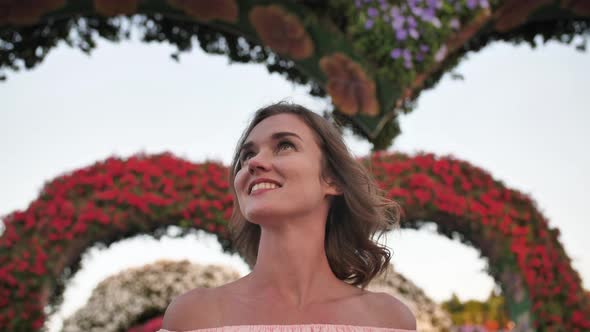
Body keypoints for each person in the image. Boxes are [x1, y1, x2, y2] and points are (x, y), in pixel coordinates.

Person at [159, 102, 417, 332]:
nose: (254, 163)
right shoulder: (193, 316)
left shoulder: (388, 319)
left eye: (284, 145)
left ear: (332, 179)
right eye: (247, 154)